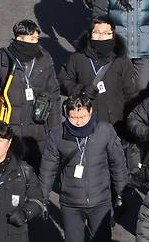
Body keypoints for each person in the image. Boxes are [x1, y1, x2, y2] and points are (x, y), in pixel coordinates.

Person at [39, 94, 128, 242]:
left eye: (83, 117)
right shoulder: (57, 135)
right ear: (67, 114)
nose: (79, 122)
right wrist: (42, 198)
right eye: (73, 117)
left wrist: (121, 192)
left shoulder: (105, 130)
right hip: (70, 203)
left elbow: (118, 163)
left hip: (100, 201)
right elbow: (47, 168)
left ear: (91, 112)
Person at [0, 20, 62, 171]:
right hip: (9, 129)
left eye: (36, 39)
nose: (35, 43)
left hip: (38, 130)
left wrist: (55, 129)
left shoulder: (44, 59)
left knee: (35, 174)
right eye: (31, 39)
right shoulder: (0, 61)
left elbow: (54, 94)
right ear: (19, 38)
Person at [58, 18, 137, 134]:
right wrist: (80, 90)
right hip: (84, 122)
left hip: (115, 124)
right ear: (90, 34)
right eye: (97, 33)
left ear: (113, 35)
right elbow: (62, 80)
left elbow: (131, 93)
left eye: (106, 33)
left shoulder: (121, 60)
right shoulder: (77, 58)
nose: (101, 37)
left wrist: (130, 122)